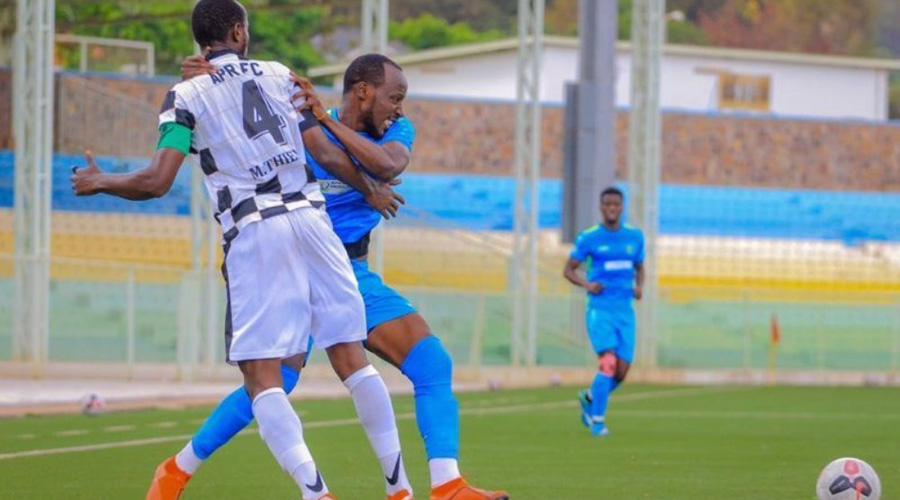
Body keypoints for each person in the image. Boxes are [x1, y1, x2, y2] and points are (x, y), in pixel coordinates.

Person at [71, 1, 413, 499]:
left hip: (254, 231)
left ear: (202, 40)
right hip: (314, 220)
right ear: (238, 32)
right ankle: (399, 489)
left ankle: (317, 494)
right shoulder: (280, 75)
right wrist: (368, 188)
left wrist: (102, 180)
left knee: (262, 376)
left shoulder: (184, 96)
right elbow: (320, 152)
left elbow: (157, 180)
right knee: (350, 356)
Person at [143, 53, 510, 500]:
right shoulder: (295, 119)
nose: (399, 108)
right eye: (394, 97)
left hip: (350, 269)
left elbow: (388, 164)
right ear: (362, 91)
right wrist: (219, 78)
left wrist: (328, 126)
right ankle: (177, 470)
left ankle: (447, 484)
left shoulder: (388, 129)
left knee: (432, 363)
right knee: (276, 381)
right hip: (290, 265)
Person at [563, 186, 645, 437]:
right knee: (607, 363)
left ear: (621, 207)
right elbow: (568, 270)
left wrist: (639, 287)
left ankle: (589, 397)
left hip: (625, 311)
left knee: (621, 372)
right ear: (601, 207)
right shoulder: (589, 238)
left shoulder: (634, 237)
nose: (611, 209)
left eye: (616, 205)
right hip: (600, 309)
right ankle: (597, 421)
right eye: (607, 204)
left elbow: (640, 267)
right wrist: (588, 285)